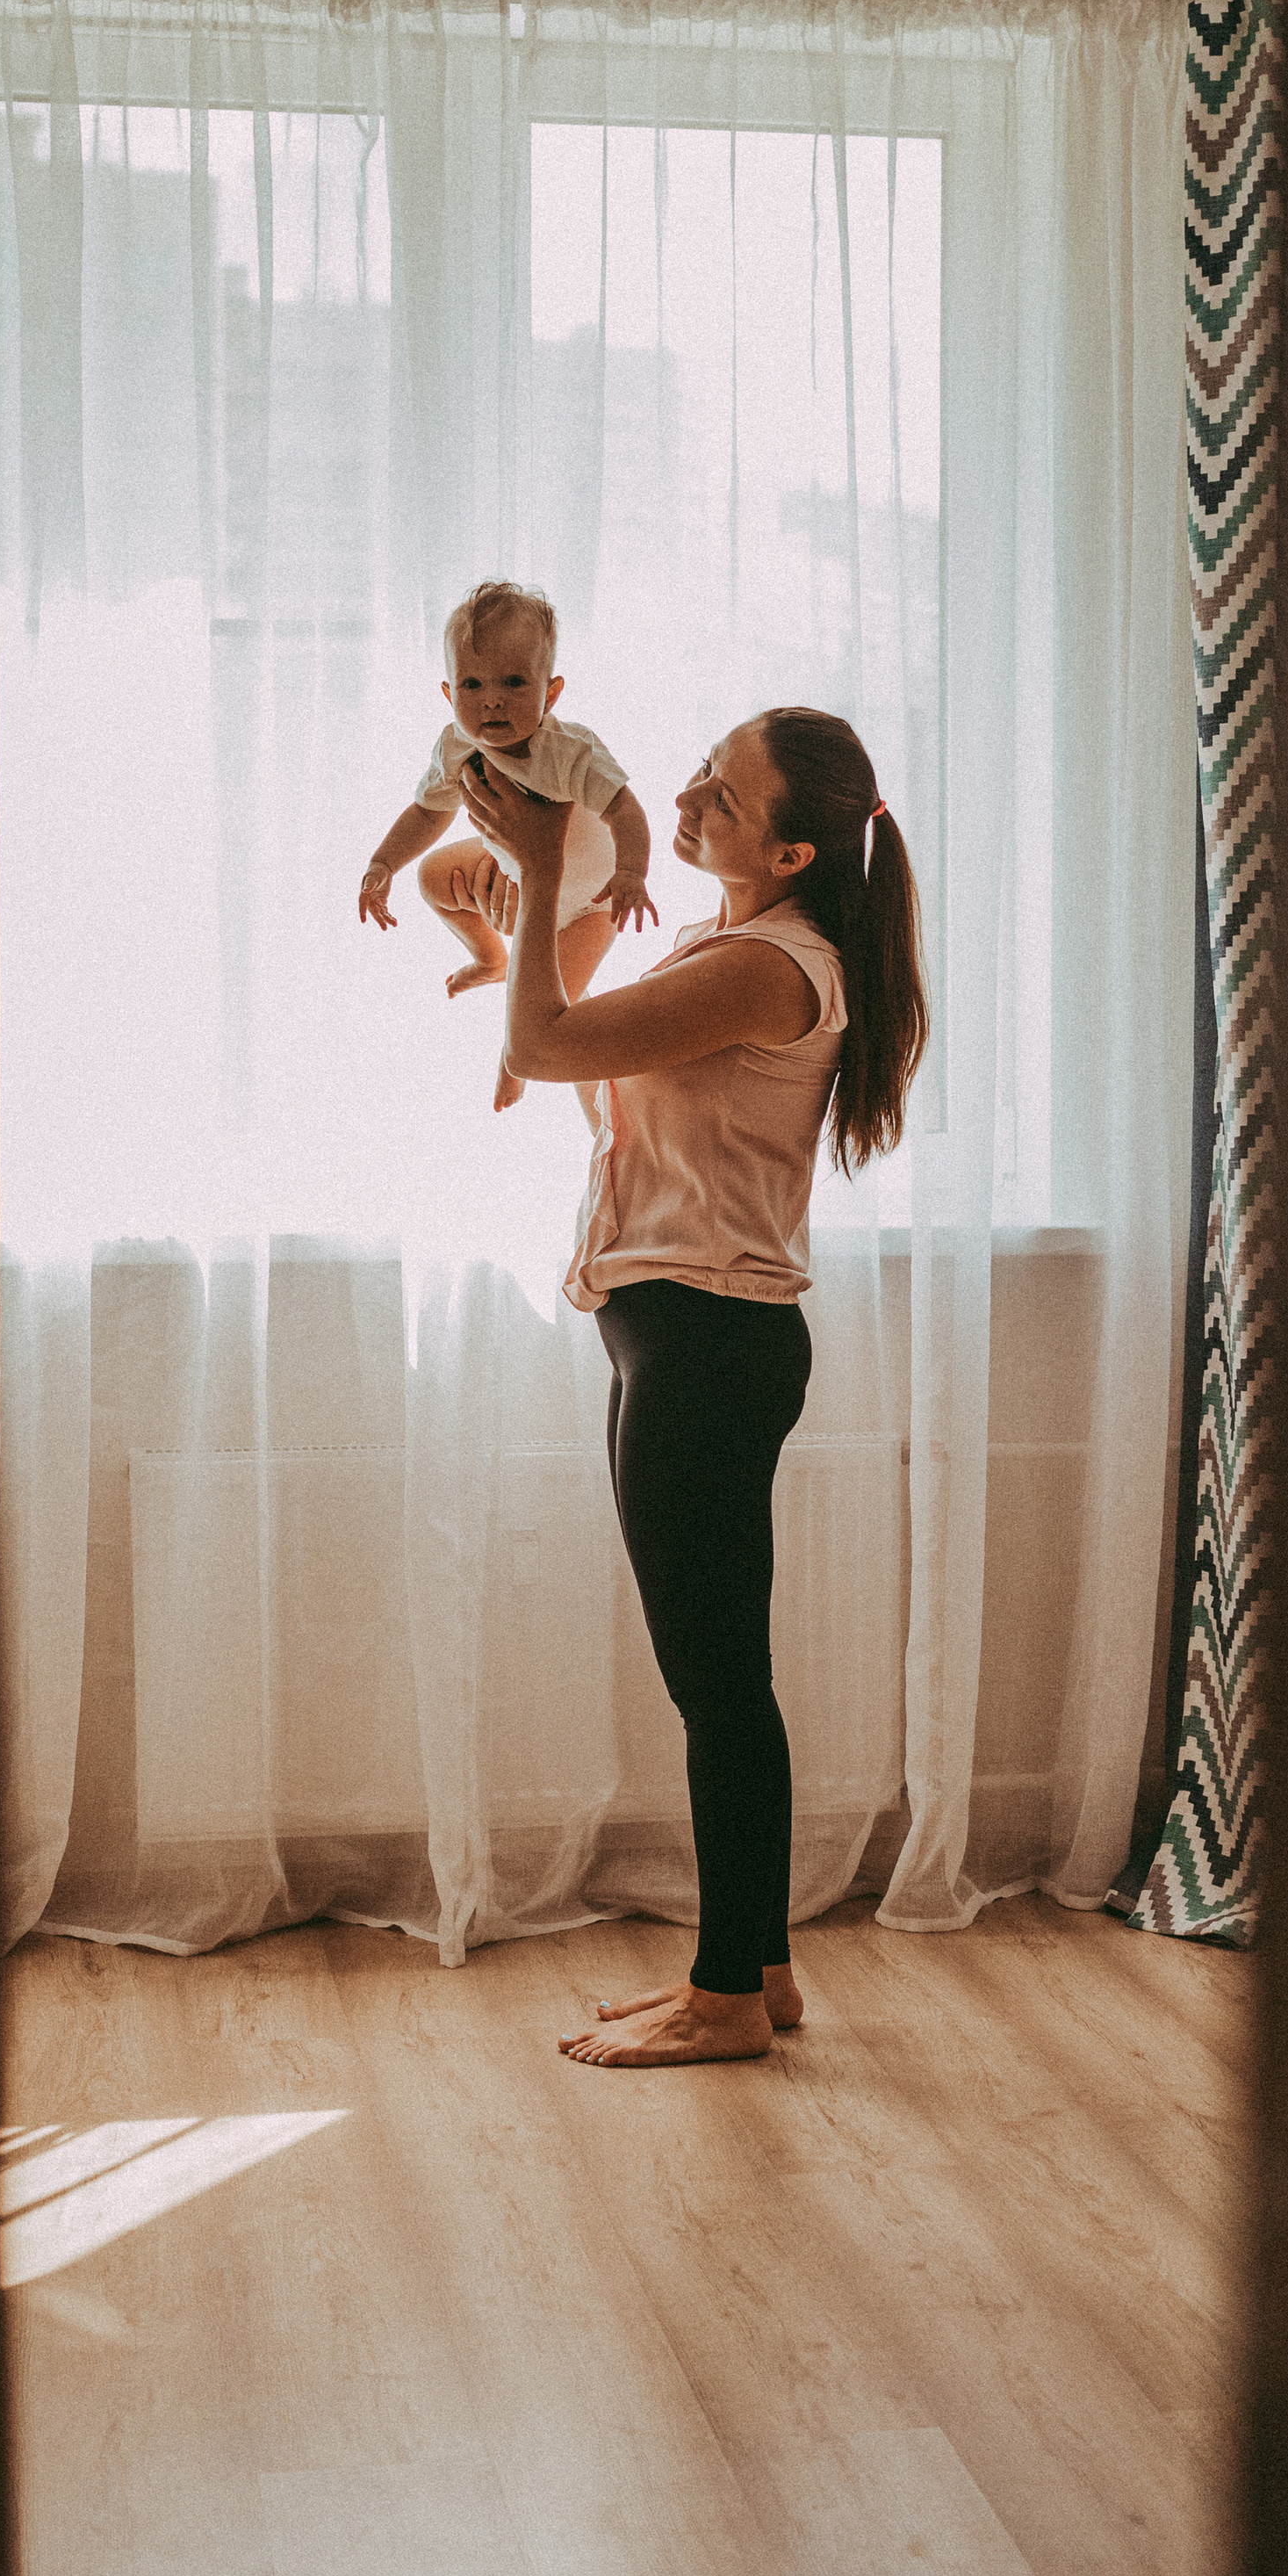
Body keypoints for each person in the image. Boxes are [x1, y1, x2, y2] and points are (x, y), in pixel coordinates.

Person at [460, 706, 929, 2067]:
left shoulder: (769, 966)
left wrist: (551, 870)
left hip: (709, 1345)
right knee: (722, 1675)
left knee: (717, 1682)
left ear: (788, 849)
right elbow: (543, 1044)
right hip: (684, 1336)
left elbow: (545, 1048)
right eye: (702, 775)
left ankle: (725, 1997)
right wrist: (542, 914)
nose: (686, 795)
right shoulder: (731, 947)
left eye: (719, 796)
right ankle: (761, 1970)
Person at [356, 581, 656, 1108]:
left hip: (592, 900)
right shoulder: (457, 745)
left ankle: (513, 1059)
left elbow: (625, 810)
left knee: (552, 1004)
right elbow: (429, 811)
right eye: (471, 684)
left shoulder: (569, 751)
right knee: (432, 876)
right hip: (517, 873)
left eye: (514, 682)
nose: (491, 699)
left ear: (551, 692)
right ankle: (489, 957)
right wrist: (383, 863)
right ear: (449, 695)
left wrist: (632, 871)